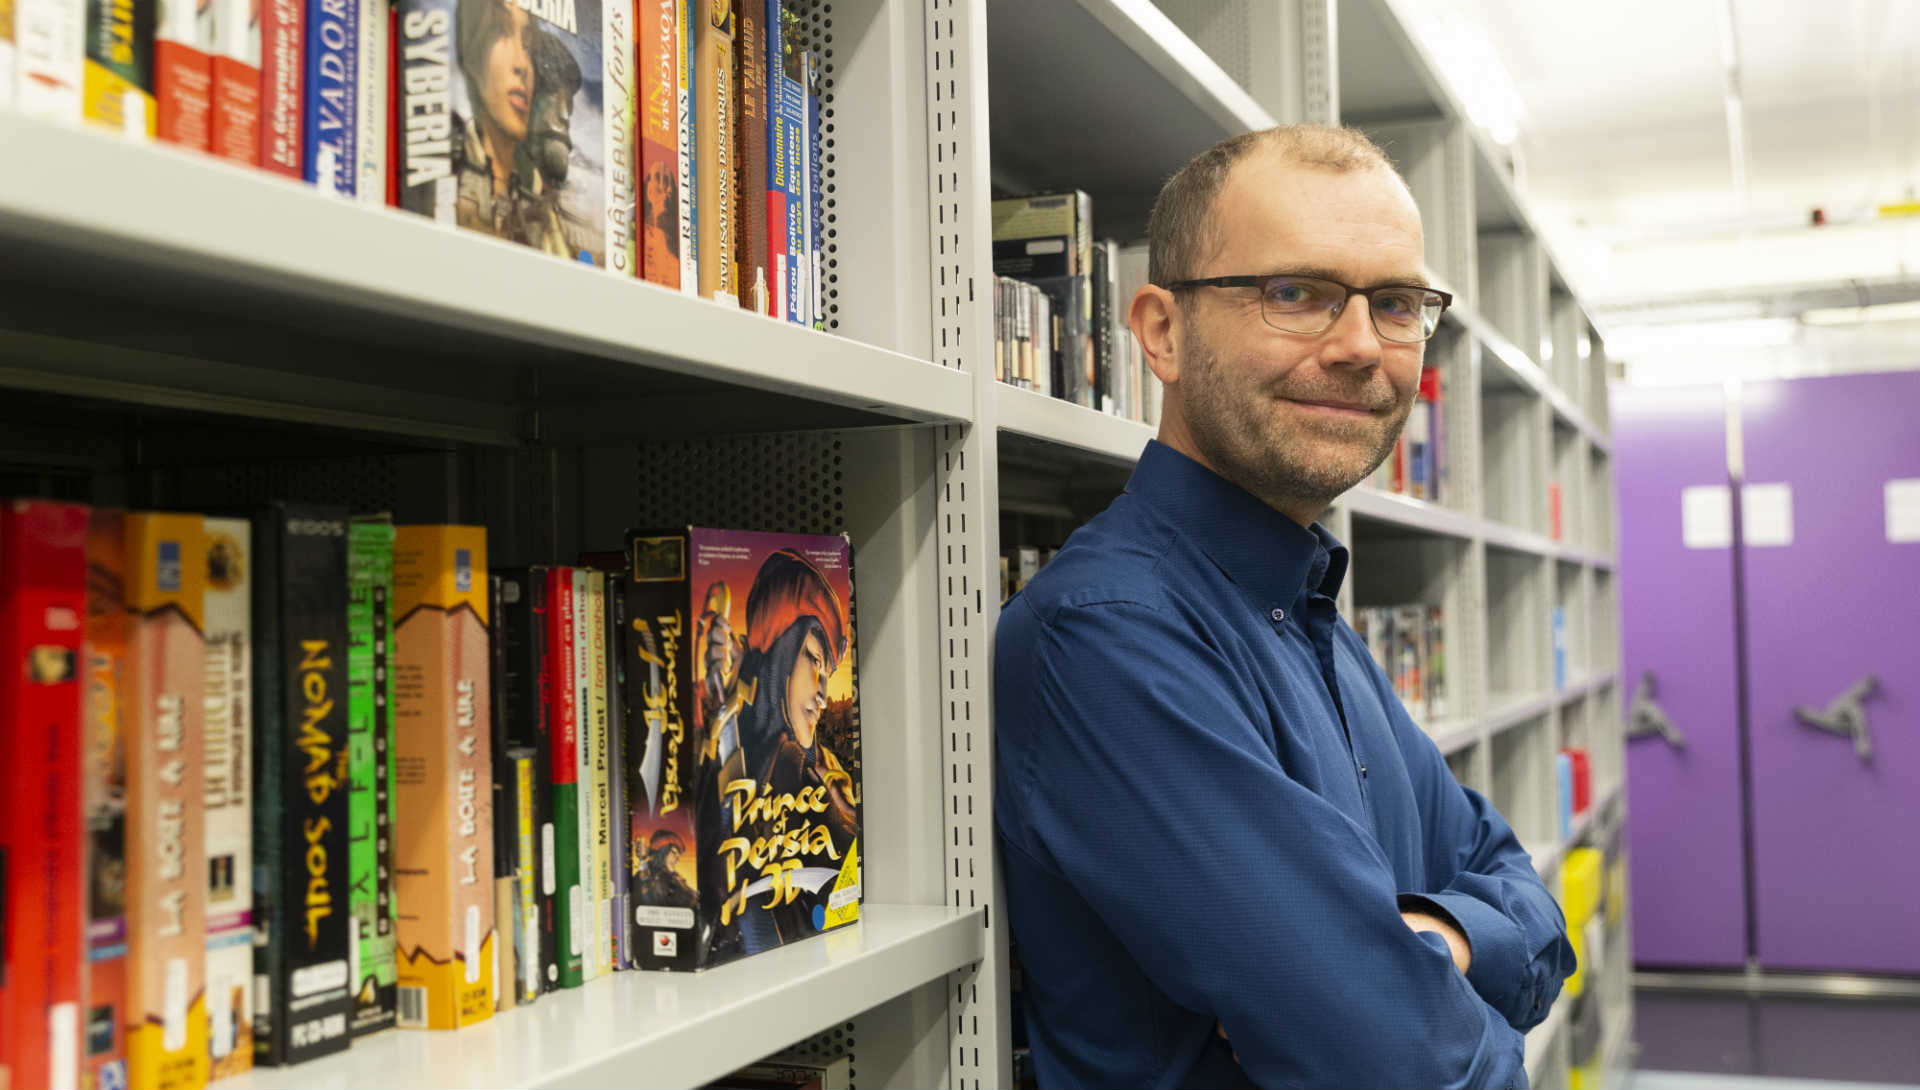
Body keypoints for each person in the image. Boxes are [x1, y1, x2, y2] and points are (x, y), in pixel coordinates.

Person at [994, 124, 1575, 1089]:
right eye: (1295, 294)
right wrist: (1451, 964)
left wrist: (1439, 938)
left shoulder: (1309, 614)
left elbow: (1532, 901)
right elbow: (1401, 1065)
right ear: (1162, 331)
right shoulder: (1106, 636)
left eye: (1394, 303)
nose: (1360, 347)